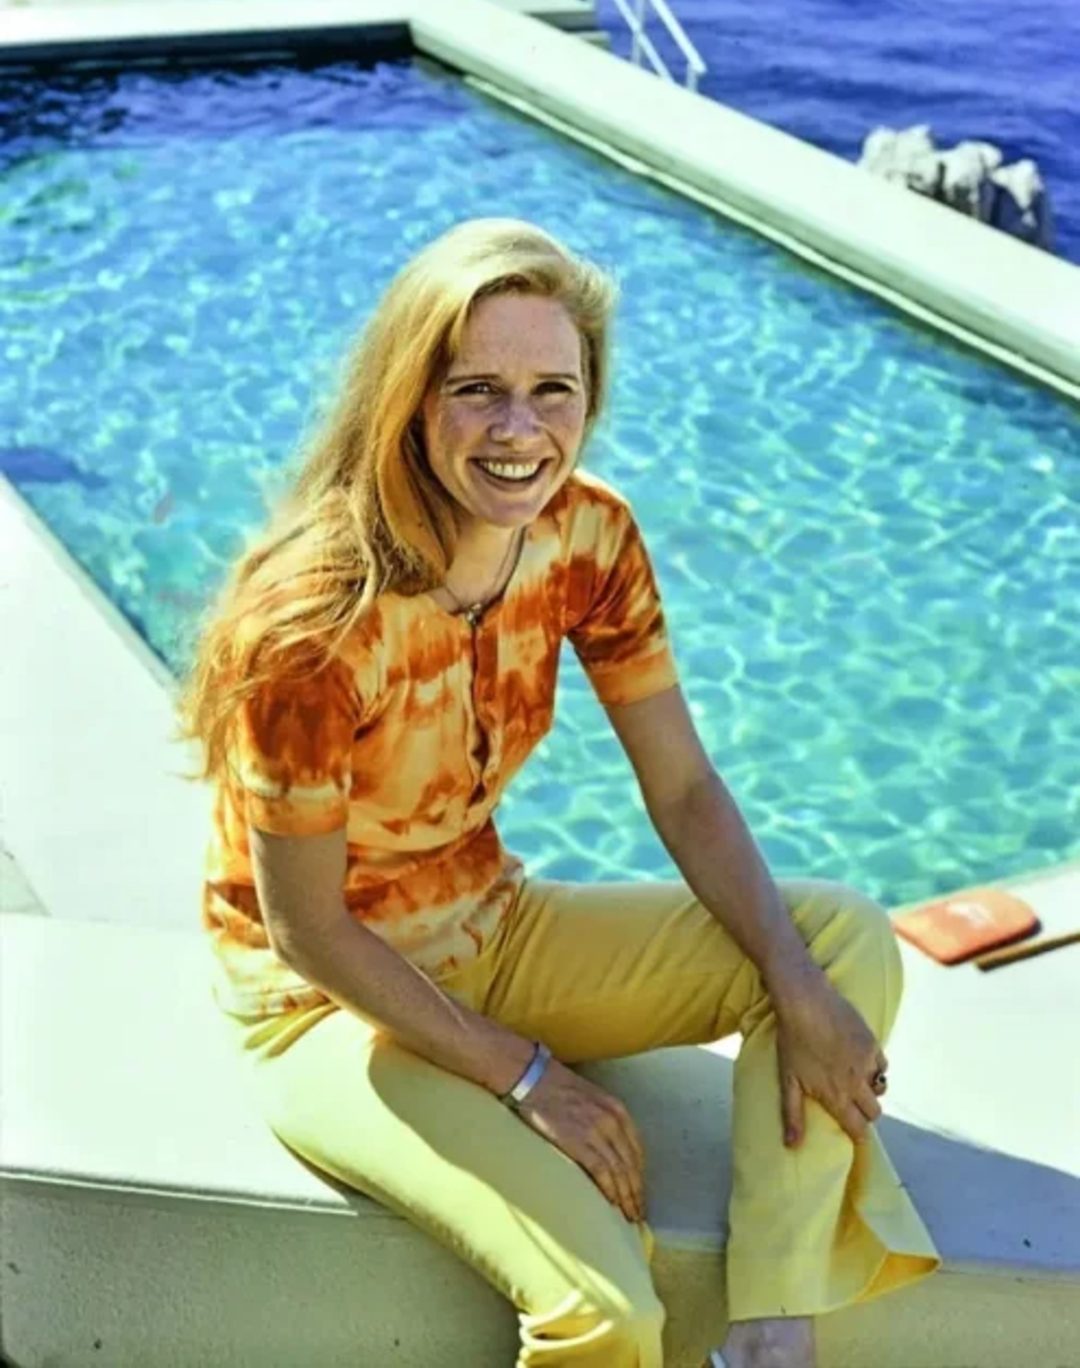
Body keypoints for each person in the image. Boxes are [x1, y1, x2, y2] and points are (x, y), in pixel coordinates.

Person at [178, 218, 940, 1368]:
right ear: (408, 399)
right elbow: (308, 927)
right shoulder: (314, 622)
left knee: (837, 942)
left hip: (494, 927)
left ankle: (771, 1335)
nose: (520, 430)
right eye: (477, 389)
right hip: (328, 1009)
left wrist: (793, 983)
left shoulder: (587, 535)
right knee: (605, 1310)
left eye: (553, 389)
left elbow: (681, 786)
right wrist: (528, 1076)